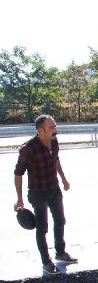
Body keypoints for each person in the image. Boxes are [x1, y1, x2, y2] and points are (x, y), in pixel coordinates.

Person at [14, 115, 78, 274]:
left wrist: (64, 179)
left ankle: (60, 253)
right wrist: (19, 198)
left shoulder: (54, 142)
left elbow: (56, 160)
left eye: (55, 126)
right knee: (42, 228)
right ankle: (46, 262)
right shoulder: (27, 149)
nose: (55, 130)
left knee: (60, 221)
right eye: (51, 128)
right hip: (37, 193)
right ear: (40, 130)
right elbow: (18, 173)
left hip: (54, 189)